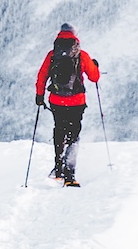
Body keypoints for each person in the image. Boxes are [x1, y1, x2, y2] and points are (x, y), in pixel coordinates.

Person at [34, 23, 101, 186]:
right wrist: (95, 65)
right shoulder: (81, 55)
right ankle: (70, 175)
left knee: (59, 130)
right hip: (76, 102)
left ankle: (58, 169)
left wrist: (39, 95)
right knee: (73, 135)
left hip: (56, 100)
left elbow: (42, 75)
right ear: (75, 36)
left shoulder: (52, 55)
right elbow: (94, 77)